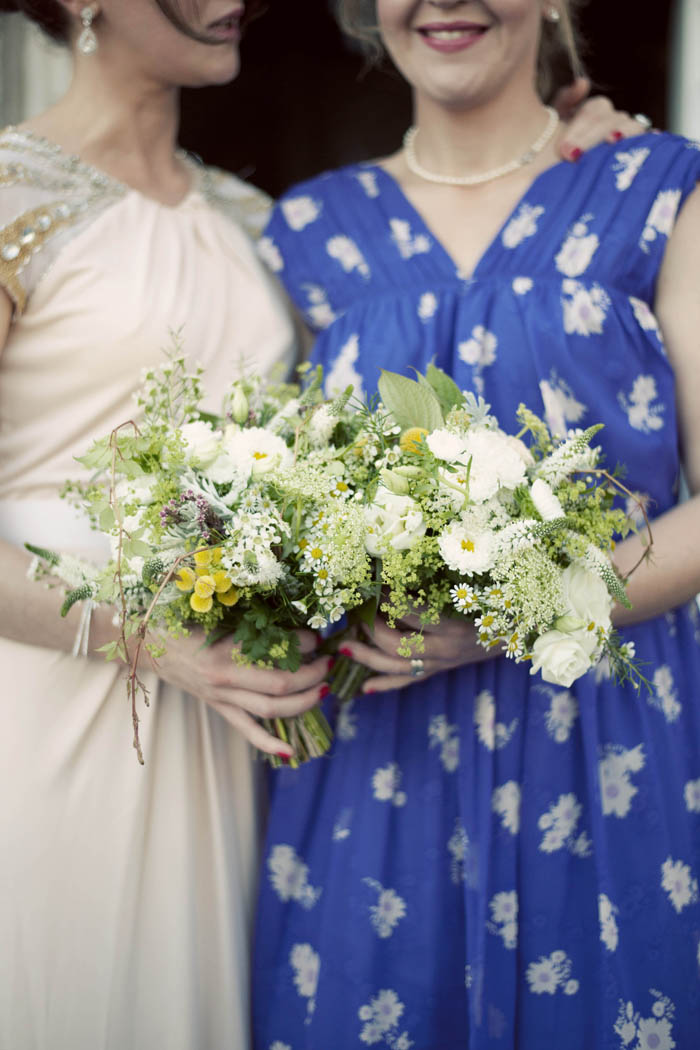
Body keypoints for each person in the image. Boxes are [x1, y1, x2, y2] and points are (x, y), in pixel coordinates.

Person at [252, 2, 700, 1048]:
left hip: (603, 741)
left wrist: (515, 612)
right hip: (377, 759)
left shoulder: (657, 191)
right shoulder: (304, 231)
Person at [0, 2, 335, 1048]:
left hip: (225, 709)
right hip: (52, 693)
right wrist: (155, 643)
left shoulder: (251, 217)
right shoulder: (10, 196)